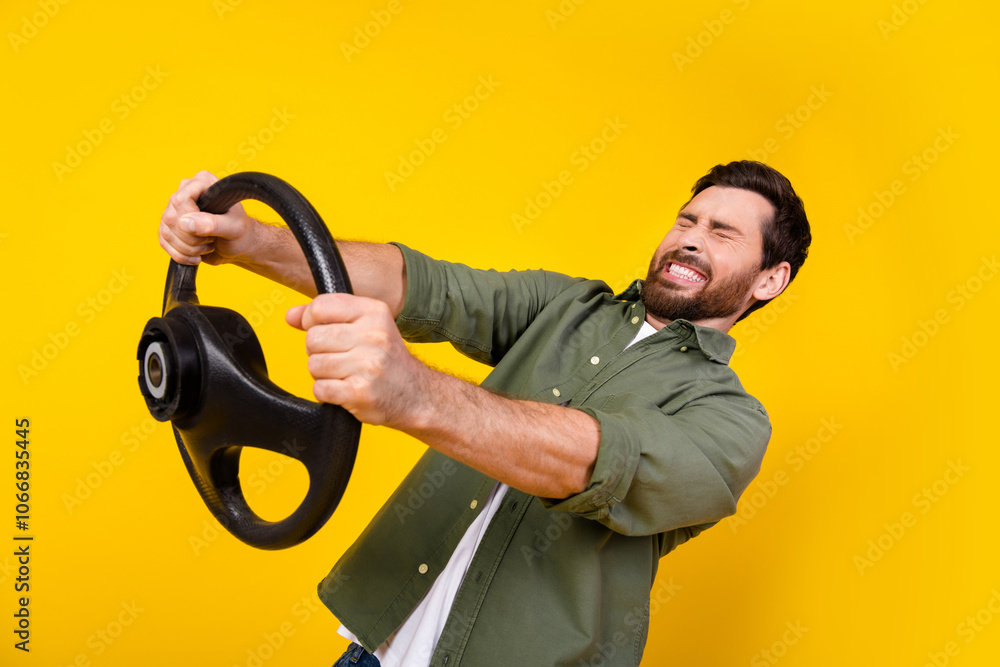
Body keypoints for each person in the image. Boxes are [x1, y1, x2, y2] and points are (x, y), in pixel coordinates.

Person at [159, 160, 811, 666]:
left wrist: (413, 393)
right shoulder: (566, 306)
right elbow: (420, 286)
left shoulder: (731, 421)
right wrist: (242, 238)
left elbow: (592, 461)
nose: (689, 240)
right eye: (687, 220)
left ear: (769, 280)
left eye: (721, 233)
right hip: (377, 648)